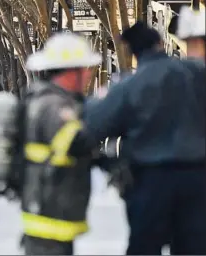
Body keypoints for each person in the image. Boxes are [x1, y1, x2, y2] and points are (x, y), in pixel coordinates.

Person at [78, 21, 206, 255]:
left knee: (144, 247)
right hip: (197, 178)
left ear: (133, 52)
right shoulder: (195, 73)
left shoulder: (129, 86)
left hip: (151, 180)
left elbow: (94, 127)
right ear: (159, 43)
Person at [13, 33, 102, 255]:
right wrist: (107, 113)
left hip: (50, 210)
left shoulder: (46, 99)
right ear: (72, 72)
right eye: (85, 69)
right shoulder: (54, 106)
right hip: (50, 210)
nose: (90, 74)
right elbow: (75, 141)